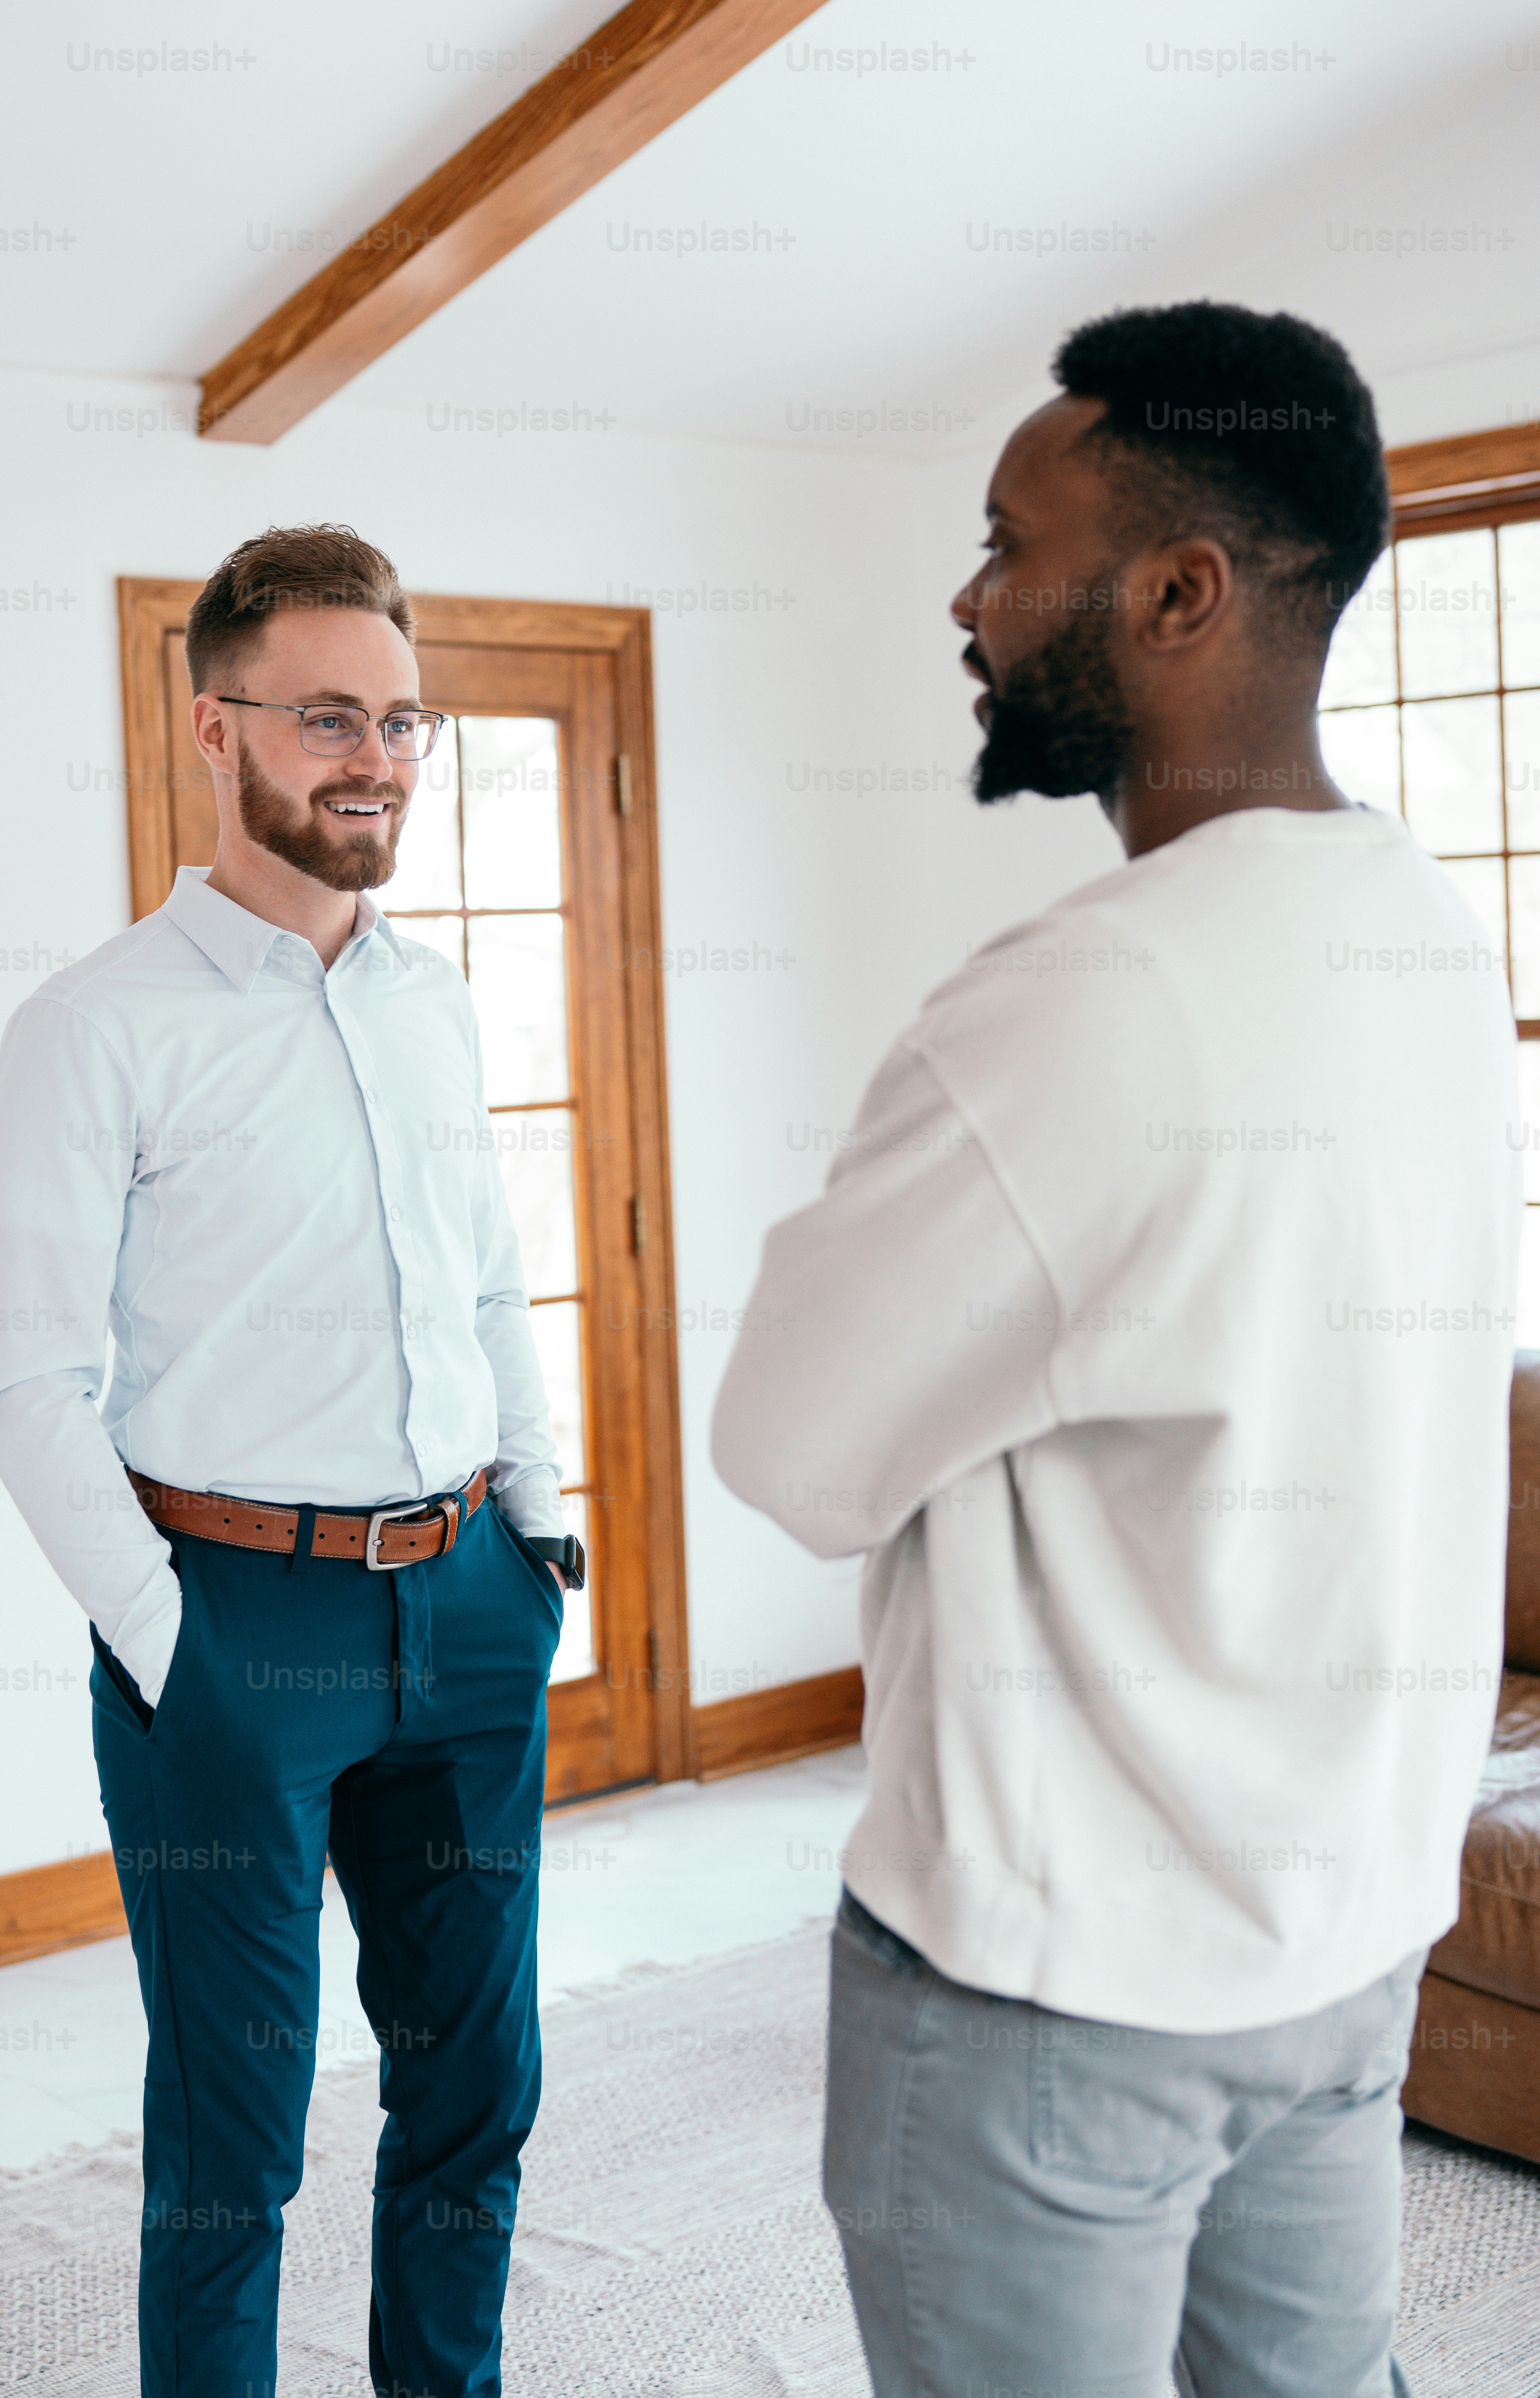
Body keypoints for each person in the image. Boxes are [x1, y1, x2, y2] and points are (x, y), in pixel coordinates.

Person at [712, 303, 1519, 2396]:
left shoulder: (1075, 999)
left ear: (1178, 591)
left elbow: (789, 1452)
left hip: (1052, 1989)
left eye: (1006, 542)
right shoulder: (1428, 936)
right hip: (1346, 1934)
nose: (966, 602)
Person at [0, 524, 582, 2398]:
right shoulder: (94, 1027)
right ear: (212, 726)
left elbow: (487, 1278)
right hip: (231, 1623)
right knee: (233, 2148)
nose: (375, 756)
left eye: (403, 718)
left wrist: (542, 1538)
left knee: (477, 2090)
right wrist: (171, 1647)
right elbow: (24, 1384)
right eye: (328, 714)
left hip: (468, 1608)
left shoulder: (430, 998)